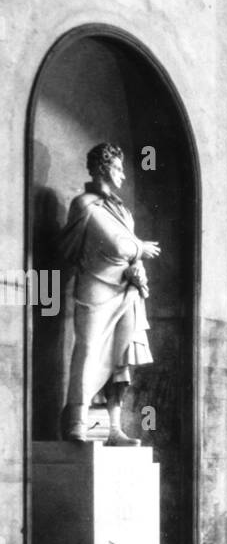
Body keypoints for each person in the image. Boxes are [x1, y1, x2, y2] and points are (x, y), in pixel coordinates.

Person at [60, 143, 160, 445]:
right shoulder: (84, 205)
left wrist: (136, 267)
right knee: (88, 350)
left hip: (126, 292)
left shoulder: (122, 210)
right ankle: (76, 420)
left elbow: (126, 252)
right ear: (103, 168)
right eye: (118, 168)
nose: (123, 176)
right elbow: (110, 245)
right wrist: (139, 248)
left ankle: (113, 427)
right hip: (96, 290)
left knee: (121, 359)